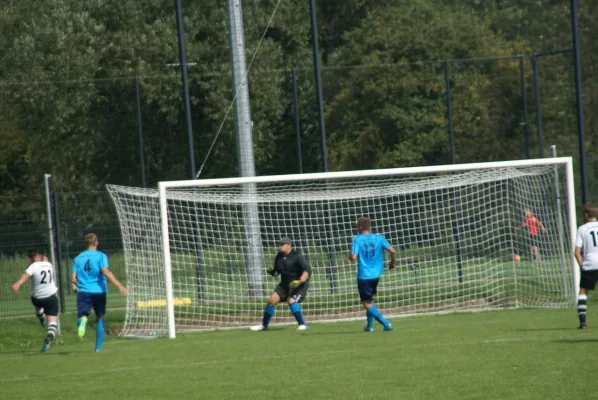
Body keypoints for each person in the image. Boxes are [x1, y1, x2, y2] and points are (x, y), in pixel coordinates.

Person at [71, 233, 127, 352]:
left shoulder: (78, 258)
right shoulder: (101, 256)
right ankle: (97, 349)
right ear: (96, 243)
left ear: (86, 244)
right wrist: (119, 285)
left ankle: (83, 321)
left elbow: (73, 279)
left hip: (84, 291)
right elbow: (105, 272)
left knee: (82, 316)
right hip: (99, 291)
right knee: (100, 318)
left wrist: (80, 284)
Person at [250, 237, 311, 331]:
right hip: (285, 284)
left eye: (283, 244)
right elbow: (277, 272)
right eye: (280, 244)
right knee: (272, 300)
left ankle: (303, 324)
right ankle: (264, 326)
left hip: (299, 284)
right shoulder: (279, 257)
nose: (280, 246)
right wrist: (273, 272)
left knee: (290, 300)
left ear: (289, 246)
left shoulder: (297, 256)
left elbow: (307, 270)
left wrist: (299, 281)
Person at [349, 216, 396, 332]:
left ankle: (386, 324)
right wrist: (392, 263)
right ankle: (369, 326)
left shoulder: (357, 239)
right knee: (369, 300)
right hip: (376, 274)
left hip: (364, 275)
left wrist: (349, 255)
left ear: (360, 227)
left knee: (367, 304)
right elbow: (392, 251)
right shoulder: (379, 238)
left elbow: (353, 257)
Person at [11, 249, 59, 352]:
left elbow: (25, 276)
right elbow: (44, 260)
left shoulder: (32, 266)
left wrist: (18, 284)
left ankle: (40, 315)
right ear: (42, 256)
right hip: (51, 297)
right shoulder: (49, 264)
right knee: (53, 323)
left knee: (38, 308)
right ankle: (49, 338)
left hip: (37, 298)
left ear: (30, 260)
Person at [574, 203, 598, 329]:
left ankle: (582, 323)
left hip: (590, 264)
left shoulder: (582, 229)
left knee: (583, 291)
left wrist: (582, 265)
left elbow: (577, 253)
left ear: (586, 215)